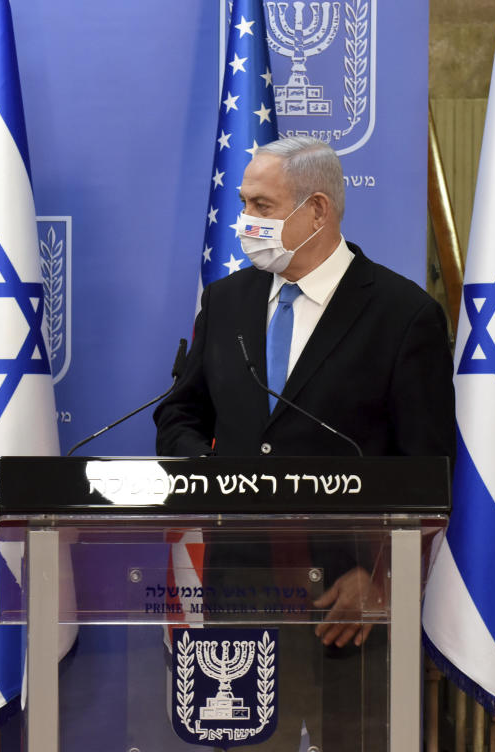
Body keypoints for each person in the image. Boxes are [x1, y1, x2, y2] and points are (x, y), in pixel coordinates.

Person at [154, 136, 455, 750]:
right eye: (243, 204)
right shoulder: (227, 300)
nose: (246, 222)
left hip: (345, 605)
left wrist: (380, 580)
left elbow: (430, 470)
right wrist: (208, 472)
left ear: (316, 211)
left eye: (262, 206)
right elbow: (179, 413)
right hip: (239, 593)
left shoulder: (403, 315)